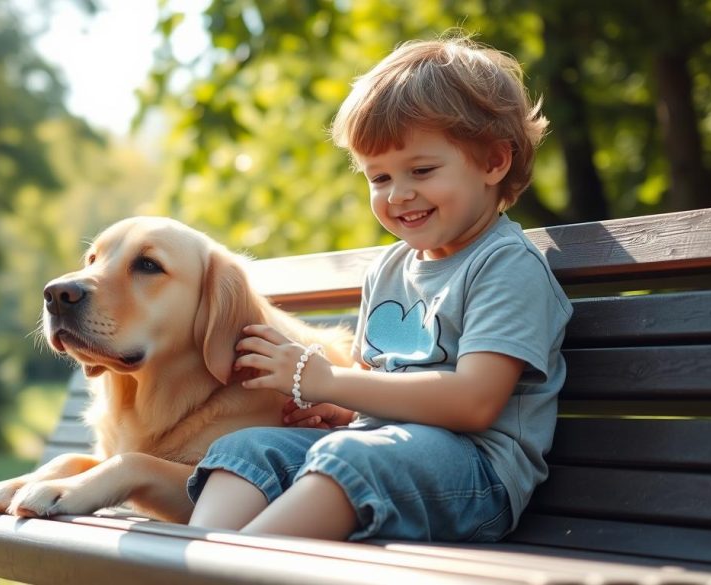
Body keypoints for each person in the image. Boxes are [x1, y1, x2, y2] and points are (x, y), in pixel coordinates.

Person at [186, 34, 573, 543]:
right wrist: (338, 408)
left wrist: (329, 382)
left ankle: (226, 575)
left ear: (493, 163)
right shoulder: (389, 267)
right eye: (379, 177)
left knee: (348, 459)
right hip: (379, 449)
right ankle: (191, 563)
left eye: (422, 170)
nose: (399, 194)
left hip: (476, 478)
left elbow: (473, 403)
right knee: (251, 448)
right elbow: (376, 385)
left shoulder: (505, 265)